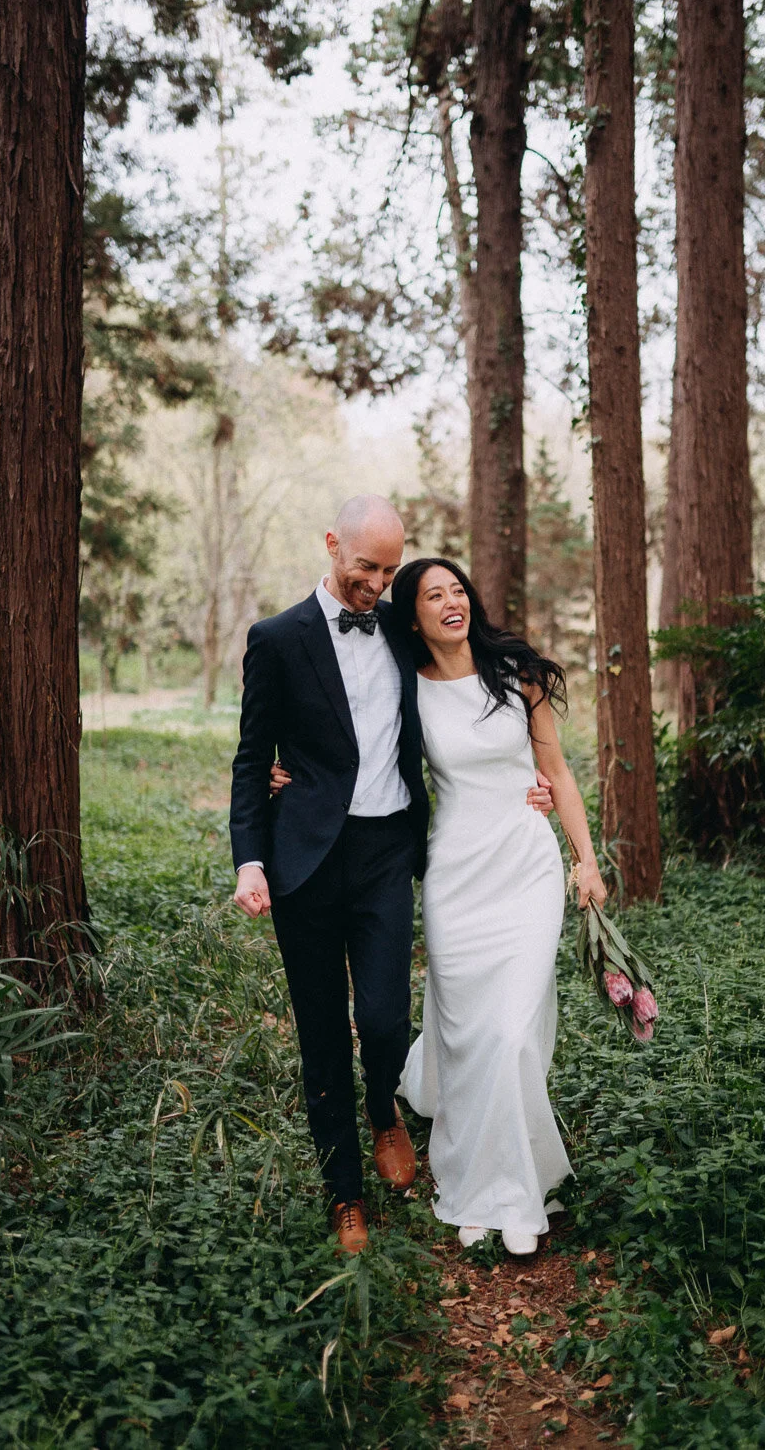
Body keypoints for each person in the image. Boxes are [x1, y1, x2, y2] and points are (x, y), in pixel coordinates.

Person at [229, 500, 551, 1255]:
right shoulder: (276, 639)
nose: (378, 583)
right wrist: (251, 857)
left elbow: (471, 699)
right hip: (303, 859)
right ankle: (345, 1194)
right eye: (366, 567)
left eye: (389, 569)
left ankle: (384, 1110)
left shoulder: (406, 637)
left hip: (386, 854)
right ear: (331, 544)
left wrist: (524, 782)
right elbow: (251, 760)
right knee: (320, 1032)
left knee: (382, 1018)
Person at [271, 553, 606, 1257]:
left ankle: (513, 1191)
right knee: (467, 1034)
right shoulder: (407, 687)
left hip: (524, 866)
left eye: (459, 589)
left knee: (512, 1033)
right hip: (455, 875)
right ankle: (473, 1174)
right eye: (433, 595)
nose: (452, 601)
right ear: (411, 616)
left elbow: (557, 771)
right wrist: (292, 775)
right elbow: (347, 733)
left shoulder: (517, 675)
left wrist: (585, 857)